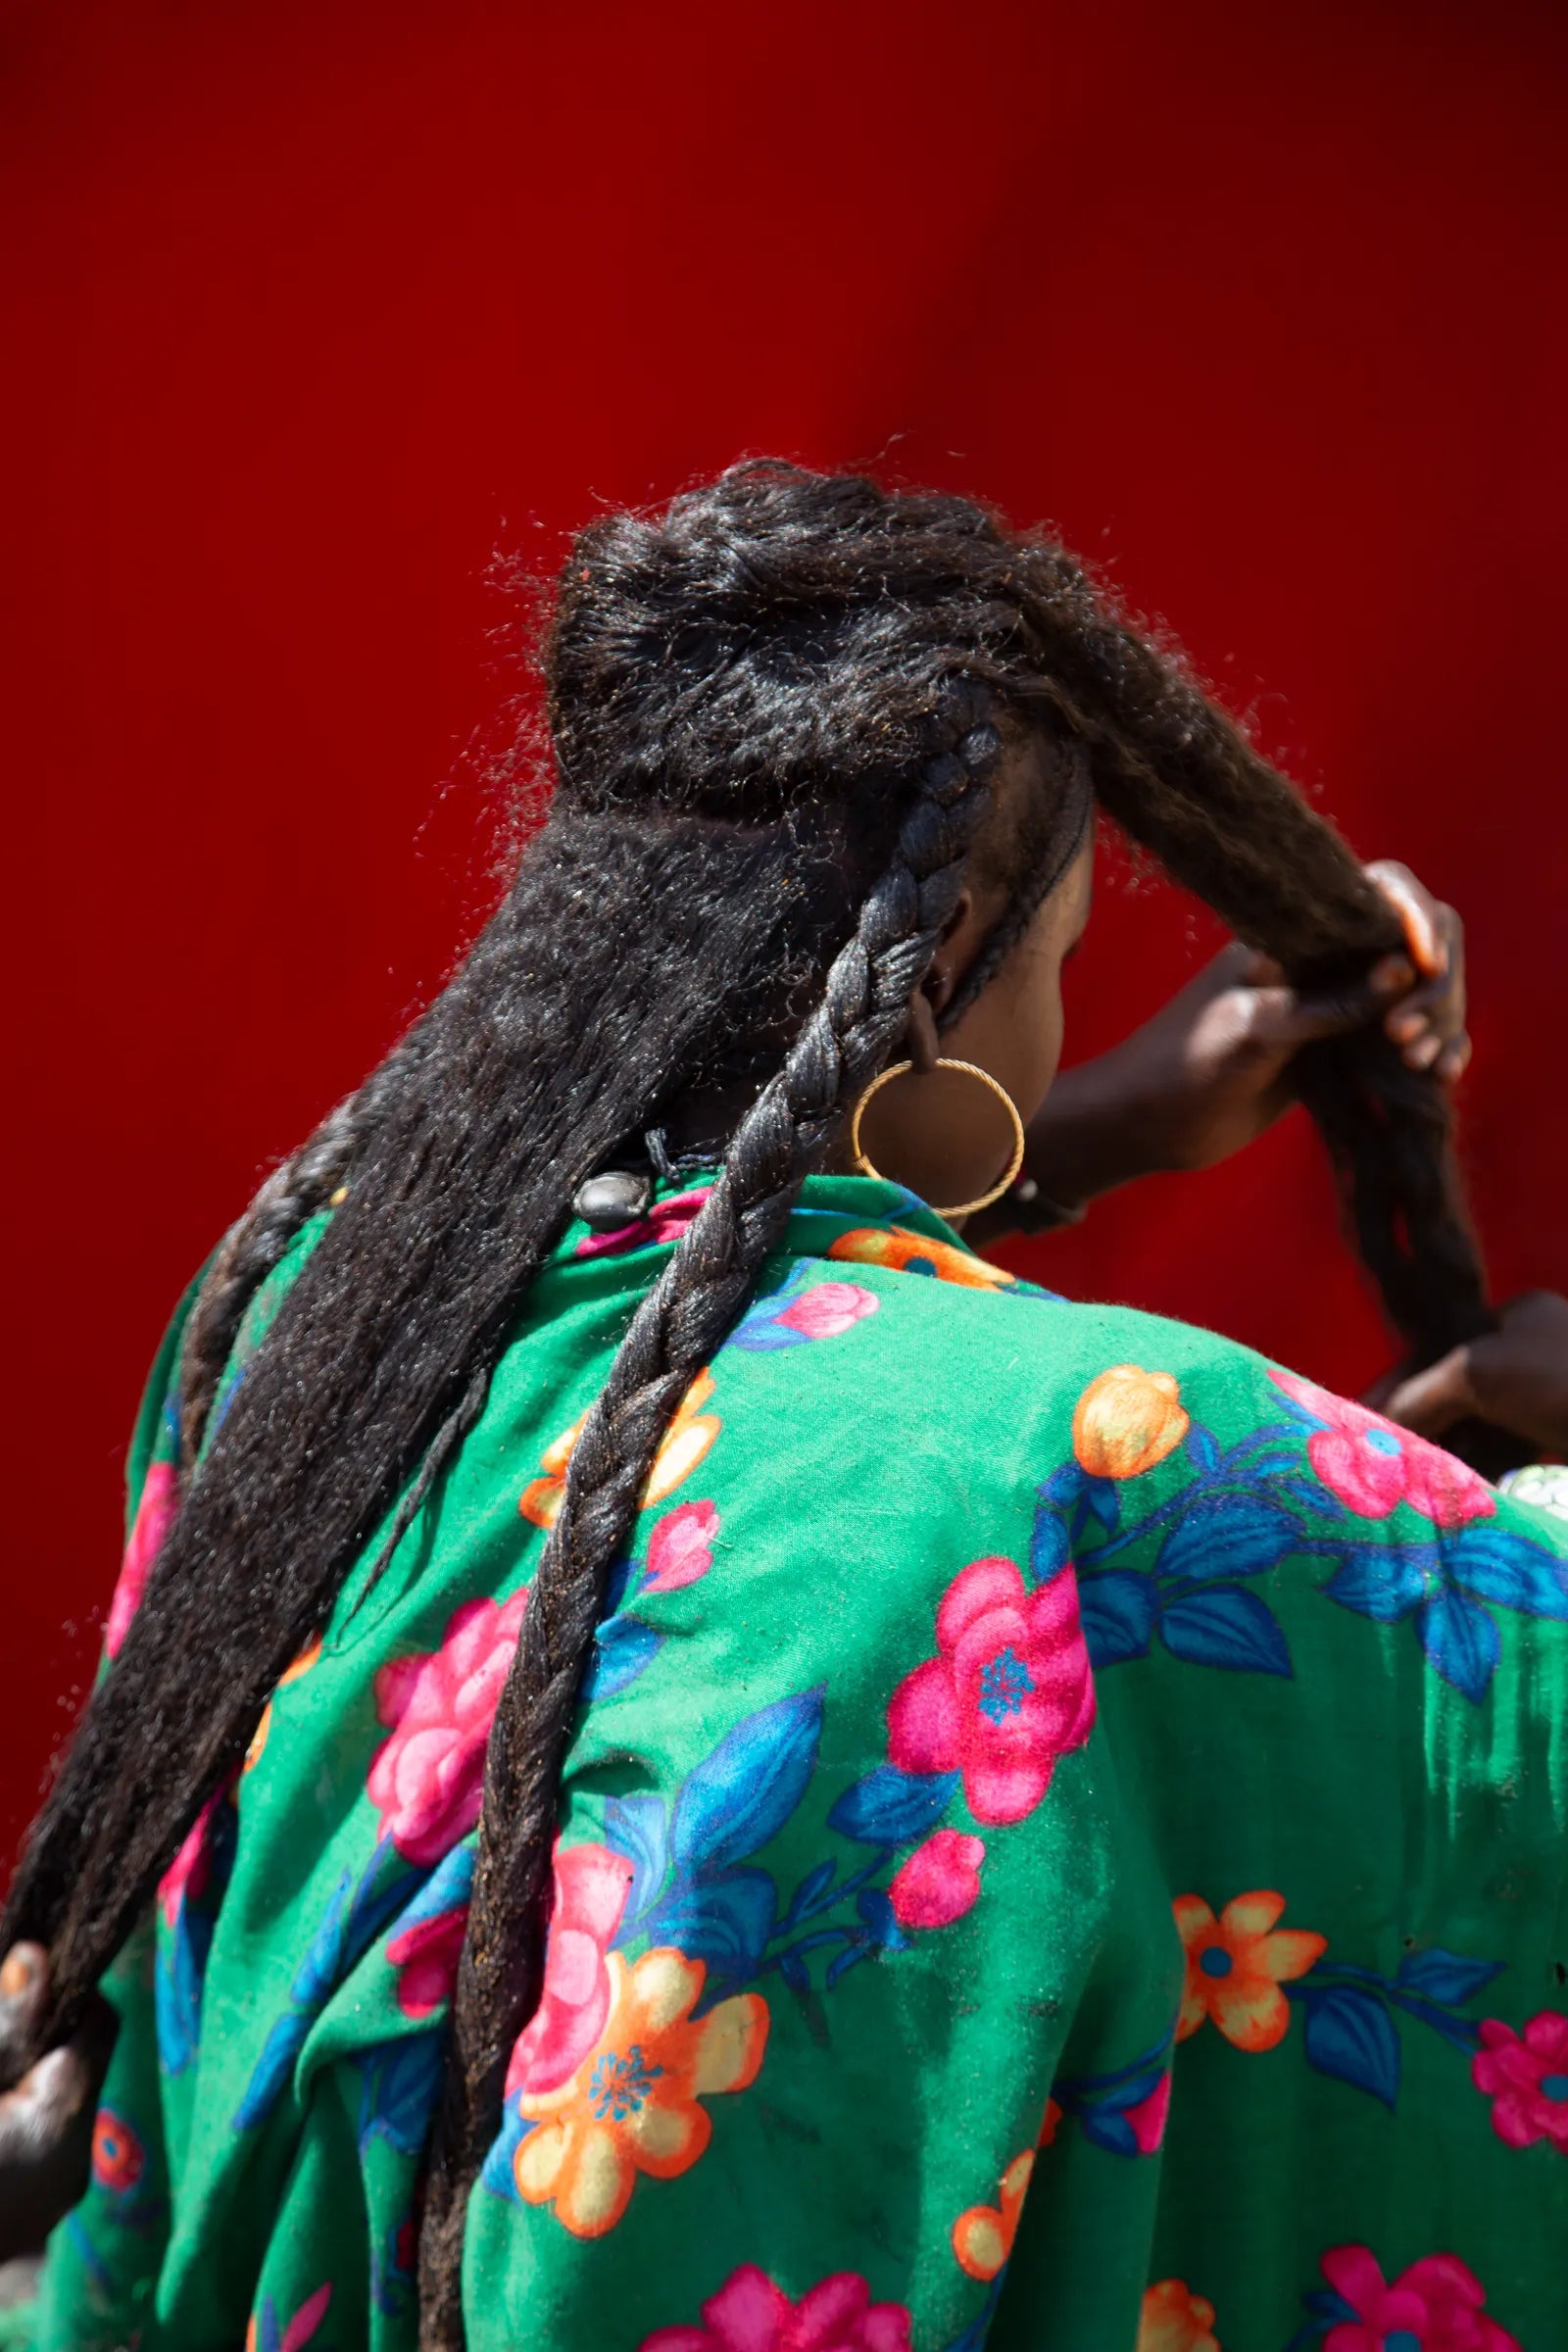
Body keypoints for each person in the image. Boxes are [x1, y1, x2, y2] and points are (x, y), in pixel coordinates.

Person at [4, 464, 1565, 2352]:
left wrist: (1094, 1129)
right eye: (1064, 961)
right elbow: (1506, 1712)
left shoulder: (315, 1295)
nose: (1071, 1016)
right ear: (939, 971)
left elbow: (715, 1293)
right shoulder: (1079, 1463)